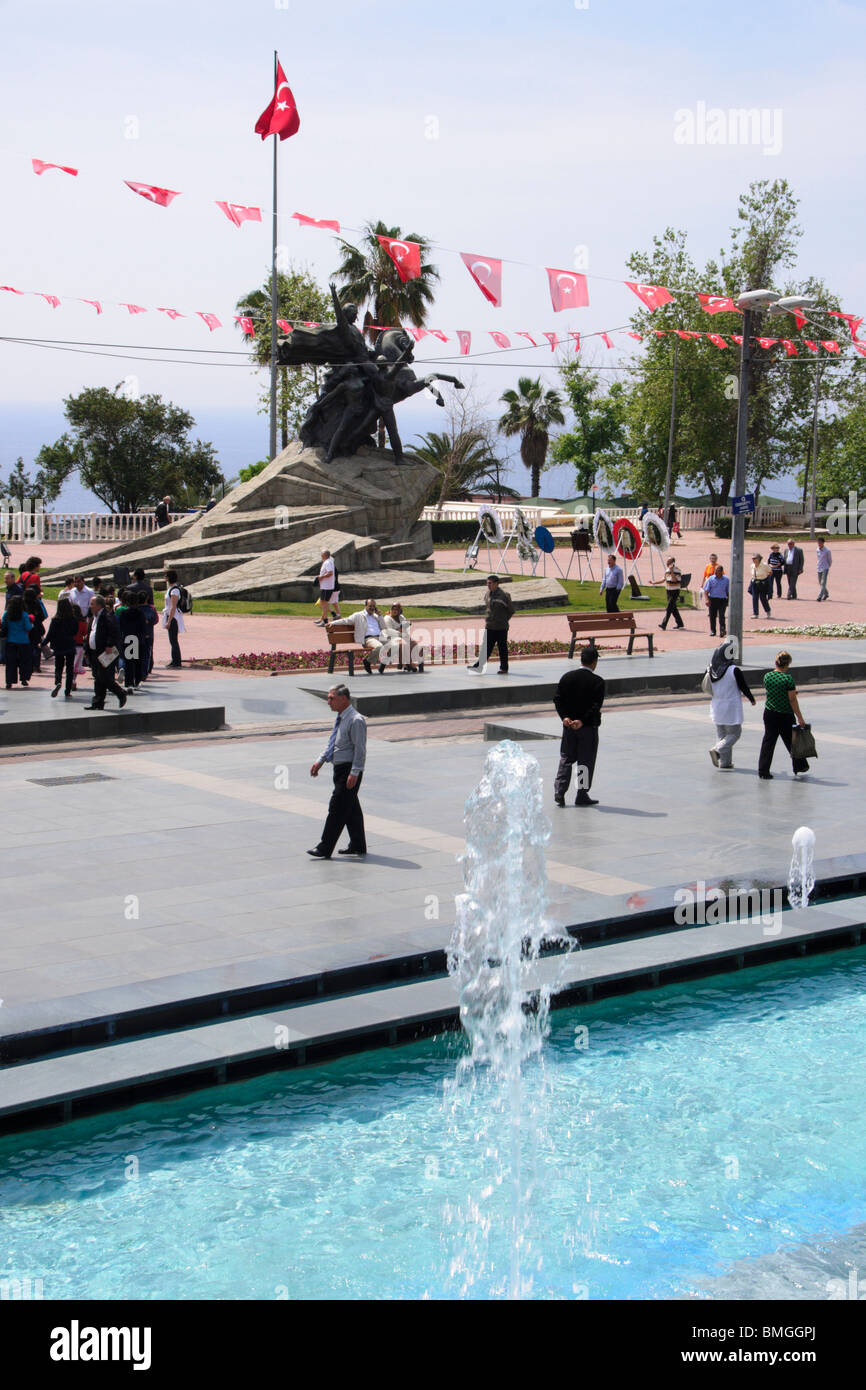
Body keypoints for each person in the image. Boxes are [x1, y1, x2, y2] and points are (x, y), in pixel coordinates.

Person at [308, 684, 367, 858]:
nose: (328, 702)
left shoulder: (356, 720)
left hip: (348, 770)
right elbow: (333, 743)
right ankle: (358, 844)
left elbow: (360, 749)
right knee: (350, 808)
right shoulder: (341, 717)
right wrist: (320, 760)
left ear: (343, 699)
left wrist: (355, 772)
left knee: (337, 808)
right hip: (339, 769)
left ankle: (325, 847)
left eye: (331, 698)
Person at [553, 645, 605, 807]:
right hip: (587, 728)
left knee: (566, 758)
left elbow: (558, 699)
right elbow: (595, 706)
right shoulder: (598, 682)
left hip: (568, 727)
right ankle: (581, 795)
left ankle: (560, 791)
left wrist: (565, 717)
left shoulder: (566, 677)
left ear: (581, 660)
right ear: (594, 662)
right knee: (585, 761)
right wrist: (582, 721)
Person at [706, 639, 756, 769]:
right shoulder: (734, 670)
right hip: (731, 706)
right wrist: (751, 698)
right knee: (734, 734)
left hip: (716, 706)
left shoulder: (711, 669)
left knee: (722, 735)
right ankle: (717, 750)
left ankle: (725, 763)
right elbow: (743, 686)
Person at [758, 651, 808, 779]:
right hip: (785, 715)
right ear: (787, 665)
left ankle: (763, 770)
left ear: (776, 662)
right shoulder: (788, 679)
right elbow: (792, 700)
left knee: (768, 741)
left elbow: (773, 691)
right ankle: (800, 765)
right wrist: (800, 717)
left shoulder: (767, 676)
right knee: (792, 741)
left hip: (769, 713)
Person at [85, 595, 127, 710]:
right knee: (98, 678)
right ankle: (97, 702)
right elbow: (90, 633)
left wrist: (109, 645)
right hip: (94, 651)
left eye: (92, 604)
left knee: (105, 677)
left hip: (105, 652)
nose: (90, 606)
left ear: (99, 605)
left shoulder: (107, 616)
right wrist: (86, 648)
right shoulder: (93, 617)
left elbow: (114, 632)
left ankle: (120, 693)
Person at [468, 573, 514, 674]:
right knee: (486, 648)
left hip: (501, 627)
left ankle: (504, 668)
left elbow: (511, 610)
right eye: (487, 583)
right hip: (490, 626)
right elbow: (488, 608)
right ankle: (479, 667)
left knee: (502, 649)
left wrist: (503, 620)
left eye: (490, 583)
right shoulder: (488, 594)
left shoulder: (504, 595)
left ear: (496, 584)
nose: (488, 585)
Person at [336, 598, 385, 675]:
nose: (372, 608)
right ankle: (367, 662)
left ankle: (383, 665)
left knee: (394, 643)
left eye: (374, 606)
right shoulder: (358, 615)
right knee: (379, 647)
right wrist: (332, 623)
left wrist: (380, 616)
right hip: (369, 639)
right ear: (365, 606)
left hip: (380, 637)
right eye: (370, 606)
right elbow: (346, 620)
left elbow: (383, 627)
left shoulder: (376, 616)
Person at [46, 597, 80, 699]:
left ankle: (58, 681)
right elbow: (75, 632)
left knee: (59, 666)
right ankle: (68, 690)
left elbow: (50, 634)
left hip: (58, 645)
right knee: (70, 668)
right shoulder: (73, 619)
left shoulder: (55, 620)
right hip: (69, 645)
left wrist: (43, 643)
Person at [1, 594, 33, 688]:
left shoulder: (6, 614)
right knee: (23, 661)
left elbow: (3, 625)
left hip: (11, 641)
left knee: (11, 663)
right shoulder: (24, 615)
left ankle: (9, 681)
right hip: (23, 641)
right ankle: (23, 679)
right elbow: (28, 627)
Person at [381, 602, 419, 672]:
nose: (394, 611)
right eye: (393, 609)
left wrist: (404, 630)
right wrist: (401, 630)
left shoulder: (401, 617)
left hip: (401, 636)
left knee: (413, 643)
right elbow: (389, 632)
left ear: (400, 611)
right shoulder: (387, 618)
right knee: (402, 643)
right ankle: (408, 663)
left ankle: (403, 663)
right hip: (389, 638)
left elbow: (405, 629)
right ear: (391, 609)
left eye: (397, 609)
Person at [162, 569, 184, 668]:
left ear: (169, 578)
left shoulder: (174, 590)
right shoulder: (171, 589)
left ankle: (177, 662)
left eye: (166, 576)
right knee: (172, 640)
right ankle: (174, 660)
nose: (164, 578)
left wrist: (169, 621)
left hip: (173, 617)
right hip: (170, 615)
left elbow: (173, 607)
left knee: (173, 640)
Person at [23, 586, 47, 672]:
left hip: (26, 629)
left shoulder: (22, 604)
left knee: (27, 647)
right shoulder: (37, 603)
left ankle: (28, 664)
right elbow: (43, 616)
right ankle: (36, 665)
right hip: (36, 628)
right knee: (36, 646)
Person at [702, 564, 730, 637]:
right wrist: (707, 600)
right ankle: (713, 631)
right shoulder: (711, 579)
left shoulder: (726, 580)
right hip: (713, 599)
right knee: (712, 616)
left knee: (721, 616)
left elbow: (728, 592)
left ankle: (722, 630)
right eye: (715, 571)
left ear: (721, 572)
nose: (715, 572)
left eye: (717, 571)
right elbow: (706, 591)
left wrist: (728, 601)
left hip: (722, 600)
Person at [315, 549, 340, 626]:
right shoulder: (329, 561)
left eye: (321, 555)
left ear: (324, 555)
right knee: (323, 603)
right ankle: (326, 619)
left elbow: (330, 573)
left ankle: (325, 620)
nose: (321, 556)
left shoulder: (328, 562)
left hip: (327, 587)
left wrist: (321, 577)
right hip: (326, 586)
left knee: (324, 603)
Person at [659, 556, 684, 630]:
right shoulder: (667, 570)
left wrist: (672, 571)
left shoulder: (677, 570)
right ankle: (680, 623)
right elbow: (664, 579)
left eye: (669, 561)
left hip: (675, 591)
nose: (667, 563)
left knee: (669, 608)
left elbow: (674, 580)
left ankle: (664, 624)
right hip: (668, 591)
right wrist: (654, 582)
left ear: (673, 563)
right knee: (673, 609)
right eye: (667, 561)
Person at [137, 590, 158, 681]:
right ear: (147, 598)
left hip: (137, 635)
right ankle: (144, 672)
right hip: (149, 634)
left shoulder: (135, 609)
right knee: (146, 654)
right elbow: (156, 620)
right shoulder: (151, 608)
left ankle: (137, 672)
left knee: (137, 654)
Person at [749, 554, 772, 618]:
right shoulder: (752, 566)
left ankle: (768, 611)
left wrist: (766, 579)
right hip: (755, 583)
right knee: (755, 598)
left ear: (759, 558)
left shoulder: (764, 565)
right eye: (752, 559)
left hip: (763, 583)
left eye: (755, 558)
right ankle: (755, 613)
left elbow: (770, 572)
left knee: (763, 598)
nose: (753, 560)